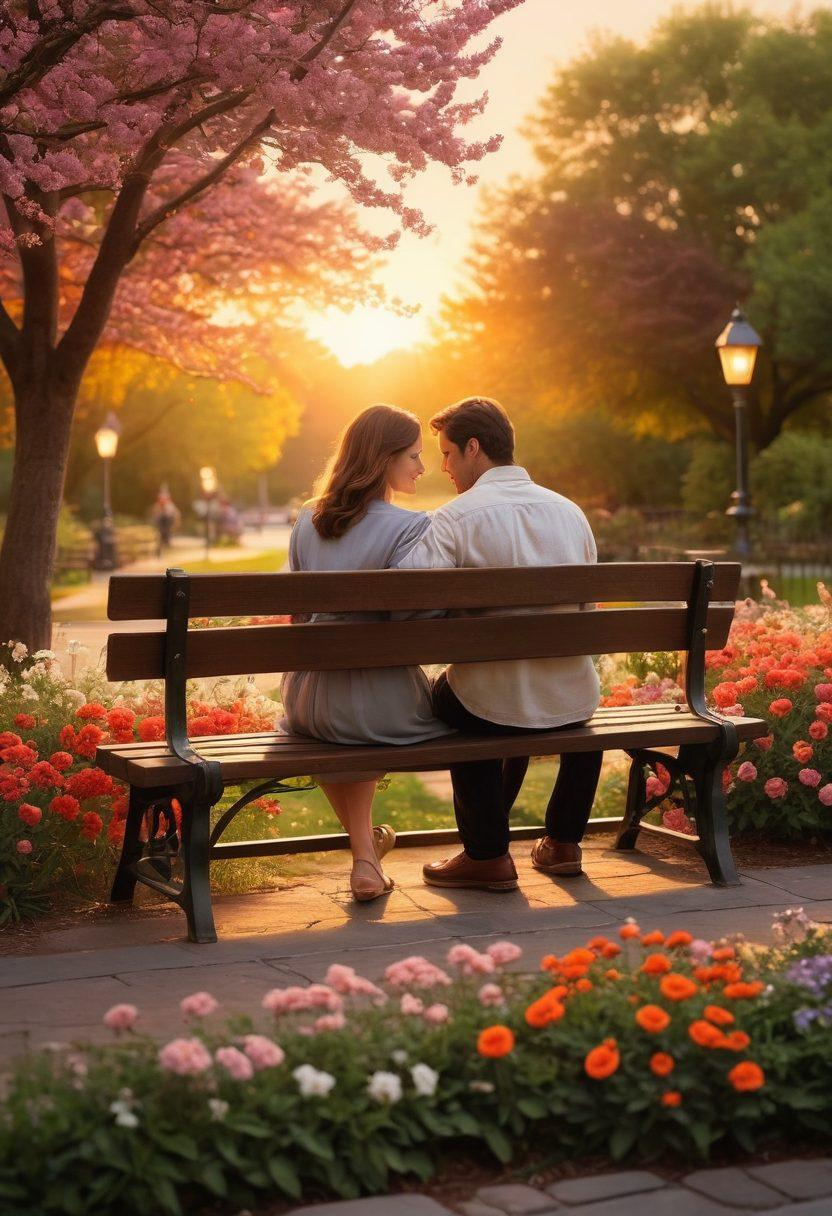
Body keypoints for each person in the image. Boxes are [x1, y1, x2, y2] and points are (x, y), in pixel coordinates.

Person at [398, 396, 602, 892]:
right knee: (552, 693)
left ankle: (486, 853)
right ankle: (563, 843)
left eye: (447, 454)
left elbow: (404, 600)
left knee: (455, 695)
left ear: (473, 448)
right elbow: (589, 618)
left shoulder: (454, 518)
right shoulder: (570, 512)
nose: (442, 466)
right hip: (571, 697)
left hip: (487, 703)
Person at [281, 404, 453, 902]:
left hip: (307, 705)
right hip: (383, 709)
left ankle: (366, 855)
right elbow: (409, 623)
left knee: (337, 722)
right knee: (365, 713)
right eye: (415, 457)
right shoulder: (411, 528)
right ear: (384, 460)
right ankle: (364, 857)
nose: (422, 468)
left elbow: (298, 615)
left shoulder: (305, 521)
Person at [151, 486, 181, 557]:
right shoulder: (157, 507)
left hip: (166, 528)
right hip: (160, 529)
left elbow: (176, 516)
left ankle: (164, 547)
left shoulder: (170, 507)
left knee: (164, 537)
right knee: (160, 538)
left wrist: (175, 524)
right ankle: (160, 552)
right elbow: (155, 517)